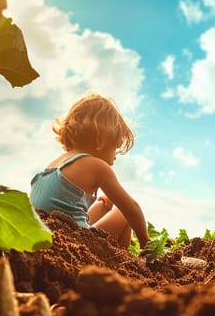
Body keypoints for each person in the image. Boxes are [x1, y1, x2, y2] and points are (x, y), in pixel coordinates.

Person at [29, 93, 148, 248]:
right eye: (115, 148)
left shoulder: (53, 165)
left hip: (48, 236)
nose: (115, 157)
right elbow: (132, 209)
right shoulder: (97, 166)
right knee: (123, 215)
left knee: (102, 206)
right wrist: (147, 243)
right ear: (101, 140)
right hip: (70, 244)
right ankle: (122, 263)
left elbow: (67, 214)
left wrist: (103, 207)